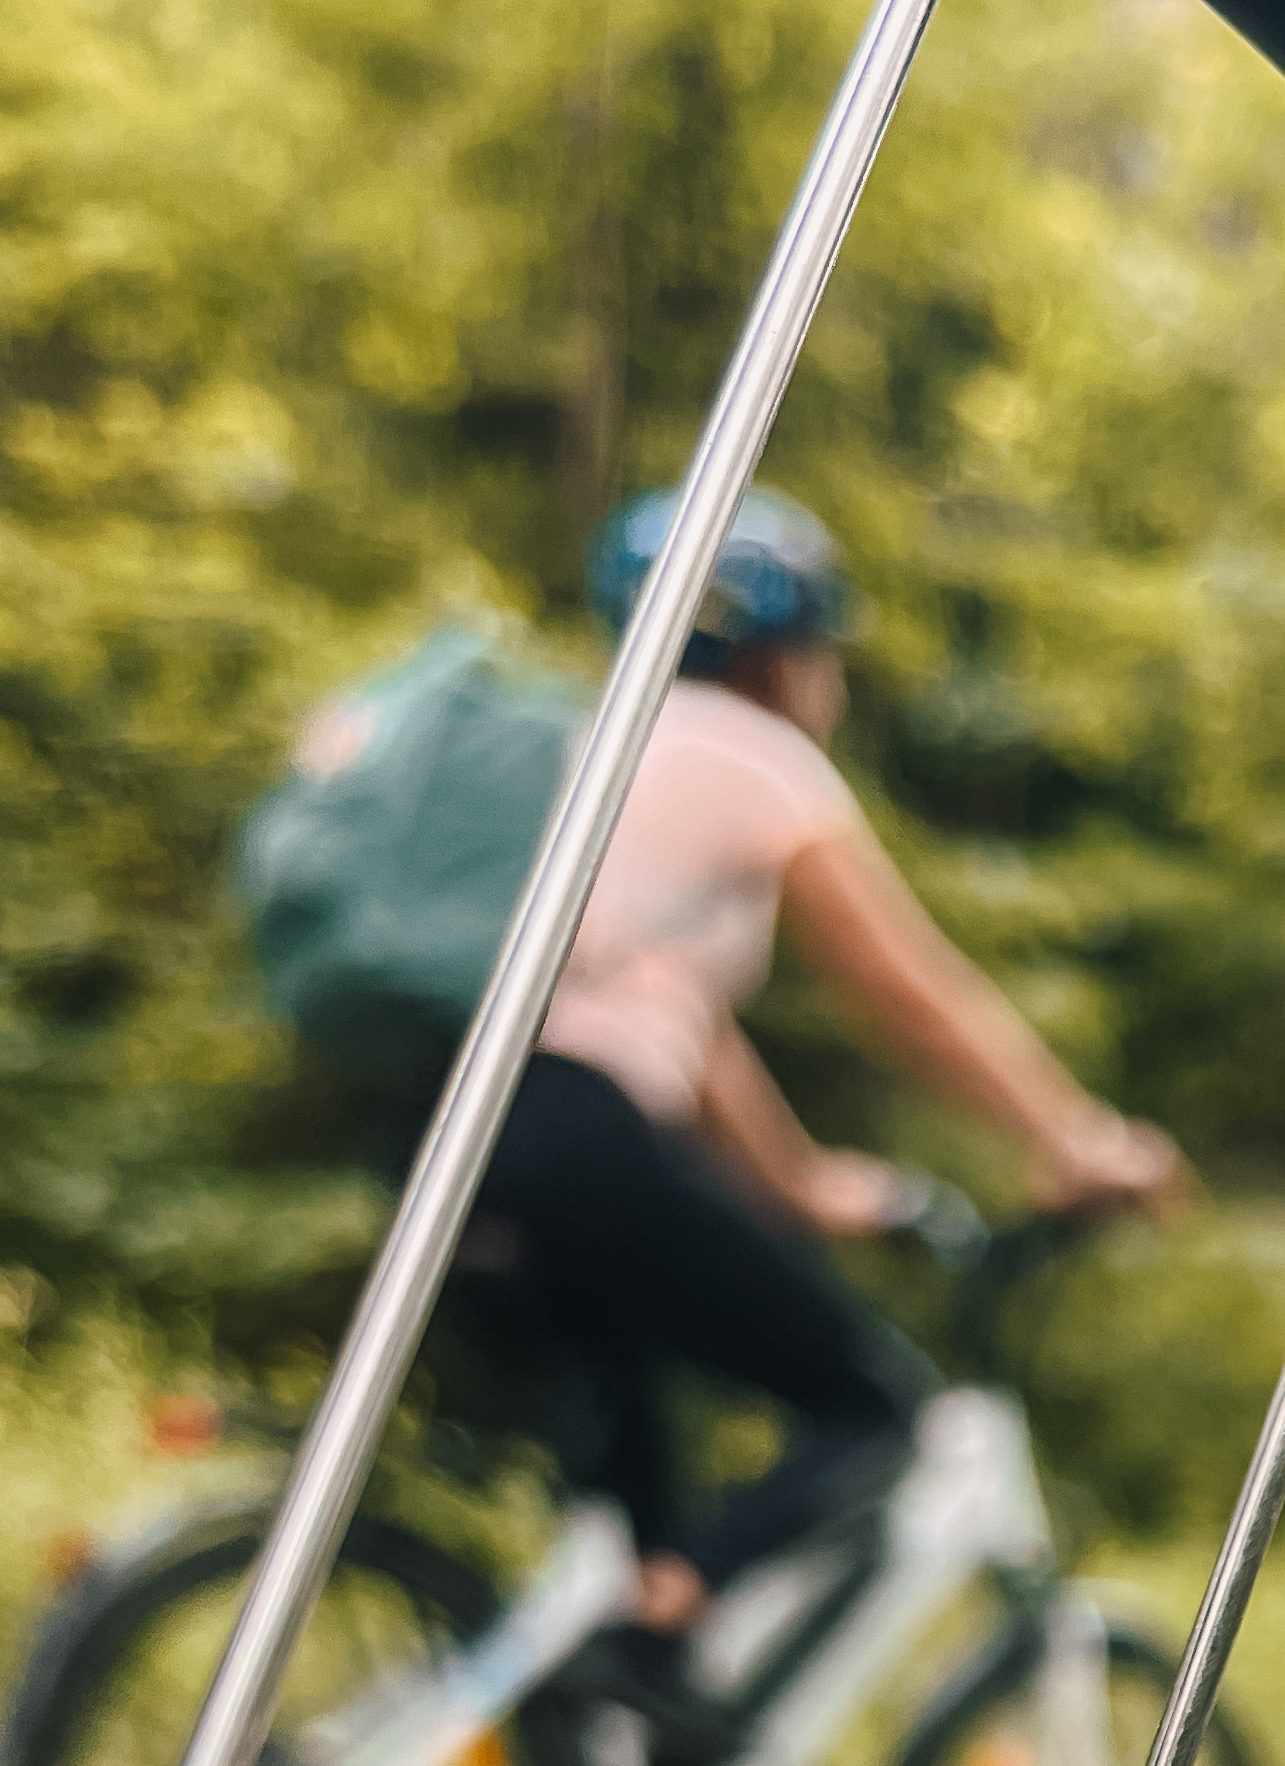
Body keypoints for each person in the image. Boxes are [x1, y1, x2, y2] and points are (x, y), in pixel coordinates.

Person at [462, 486, 1183, 1667]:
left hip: (470, 1134)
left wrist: (799, 1186)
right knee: (872, 1409)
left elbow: (682, 1031)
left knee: (635, 1523)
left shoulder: (601, 747)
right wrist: (1075, 1137)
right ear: (775, 652)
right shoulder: (743, 753)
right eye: (826, 648)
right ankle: (664, 1631)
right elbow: (909, 992)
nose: (832, 681)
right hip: (574, 1134)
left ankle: (622, 1744)